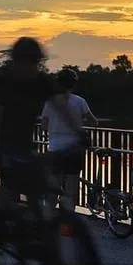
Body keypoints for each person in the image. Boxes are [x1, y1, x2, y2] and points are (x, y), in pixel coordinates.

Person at [0, 37, 88, 265]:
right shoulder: (0, 82)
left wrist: (79, 133)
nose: (33, 68)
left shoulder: (40, 82)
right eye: (29, 63)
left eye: (36, 63)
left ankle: (45, 244)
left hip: (24, 143)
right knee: (11, 185)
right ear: (16, 61)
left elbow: (60, 105)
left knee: (42, 187)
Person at [40, 68, 97, 210]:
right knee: (70, 190)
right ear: (73, 84)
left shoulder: (50, 102)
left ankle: (50, 218)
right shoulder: (80, 102)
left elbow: (44, 126)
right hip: (75, 150)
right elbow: (93, 121)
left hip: (55, 149)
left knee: (53, 188)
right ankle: (68, 221)